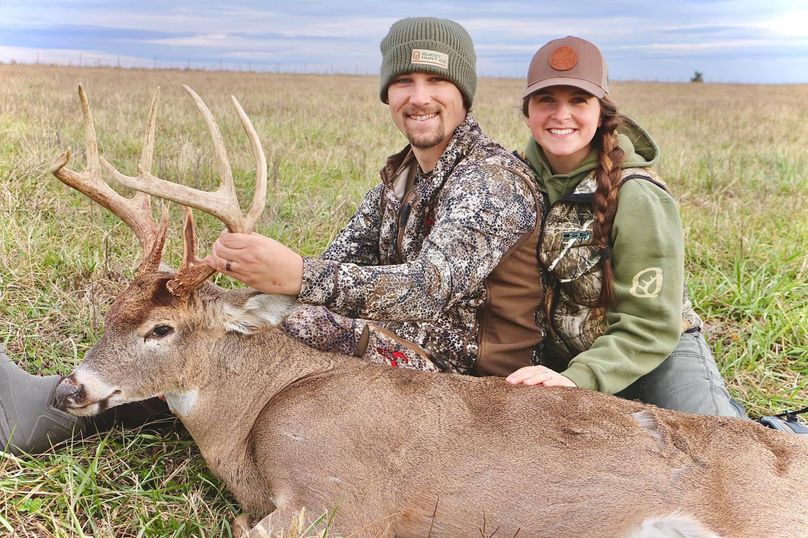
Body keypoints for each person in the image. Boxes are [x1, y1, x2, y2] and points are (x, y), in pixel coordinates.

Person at [207, 17, 545, 377]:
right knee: (273, 316)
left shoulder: (493, 181)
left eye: (436, 80)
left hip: (484, 384)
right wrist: (255, 275)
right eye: (404, 81)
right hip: (408, 348)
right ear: (388, 94)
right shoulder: (400, 180)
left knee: (305, 325)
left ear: (463, 92)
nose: (419, 98)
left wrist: (299, 274)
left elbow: (429, 288)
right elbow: (337, 262)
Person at [502, 36, 744, 416]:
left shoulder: (637, 195)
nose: (561, 114)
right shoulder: (509, 182)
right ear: (527, 112)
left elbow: (651, 324)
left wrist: (578, 379)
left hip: (653, 351)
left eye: (578, 101)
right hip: (564, 360)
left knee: (725, 453)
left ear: (601, 112)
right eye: (546, 99)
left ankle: (781, 434)